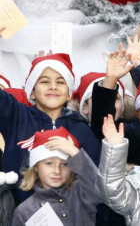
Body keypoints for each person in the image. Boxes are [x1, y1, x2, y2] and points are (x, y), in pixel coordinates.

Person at [0, 53, 100, 202]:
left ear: (68, 95)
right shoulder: (17, 117)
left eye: (60, 82)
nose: (53, 87)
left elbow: (95, 181)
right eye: (45, 82)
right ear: (32, 92)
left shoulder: (83, 130)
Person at [12, 127, 101, 226]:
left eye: (65, 164)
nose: (57, 171)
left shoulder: (81, 192)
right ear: (36, 166)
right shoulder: (24, 211)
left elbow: (99, 190)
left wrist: (75, 153)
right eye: (49, 163)